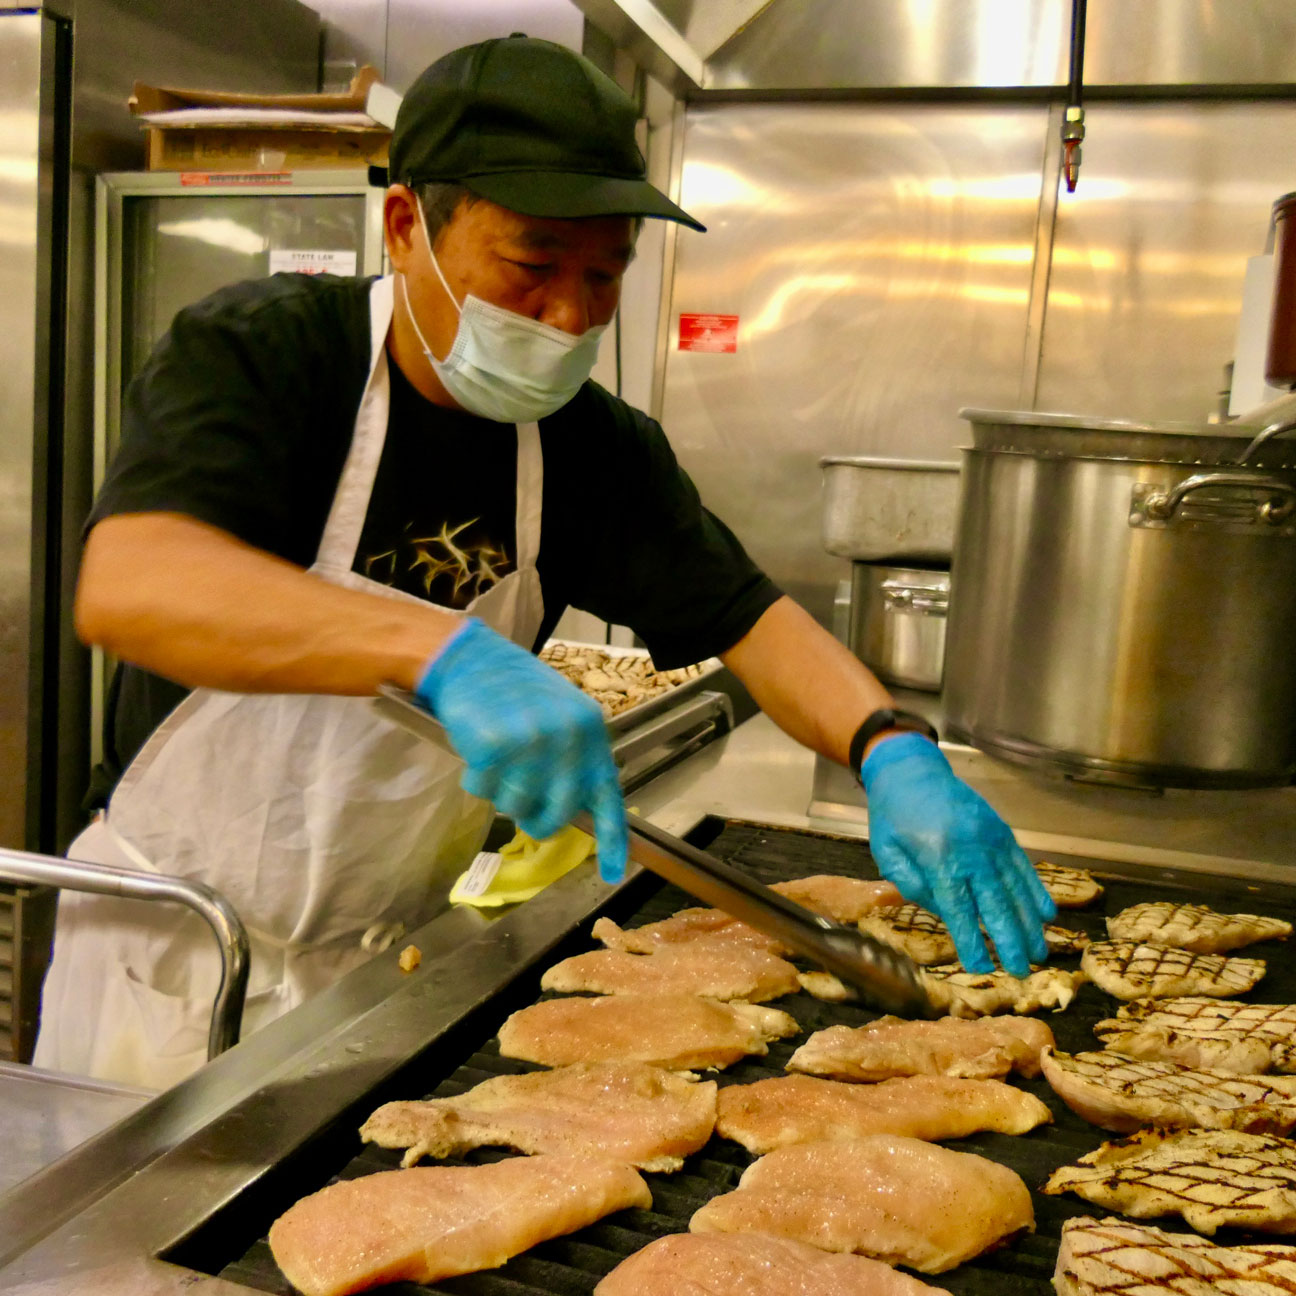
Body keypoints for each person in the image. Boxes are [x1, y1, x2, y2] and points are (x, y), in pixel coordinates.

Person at [34, 34, 1054, 1089]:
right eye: (532, 265)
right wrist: (443, 654)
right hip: (169, 953)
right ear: (405, 226)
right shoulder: (267, 352)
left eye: (603, 276)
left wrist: (890, 748)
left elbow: (751, 619)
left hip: (384, 967)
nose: (569, 316)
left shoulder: (592, 448)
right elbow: (136, 585)